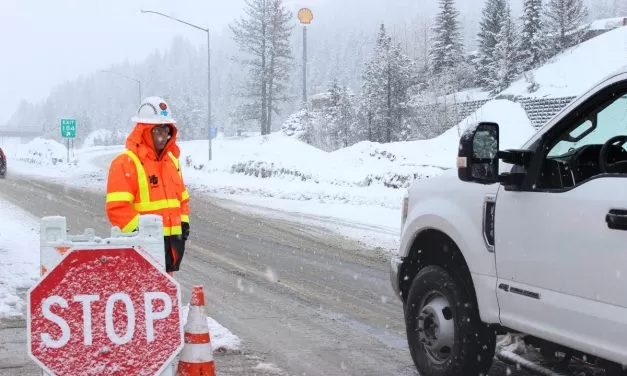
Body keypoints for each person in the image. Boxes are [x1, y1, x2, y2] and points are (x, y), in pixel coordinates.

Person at [105, 96, 190, 276]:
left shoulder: (172, 162)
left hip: (170, 248)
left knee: (164, 295)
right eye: (158, 130)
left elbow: (182, 199)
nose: (163, 136)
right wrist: (143, 235)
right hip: (141, 253)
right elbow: (117, 209)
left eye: (166, 130)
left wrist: (183, 223)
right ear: (144, 131)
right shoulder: (125, 163)